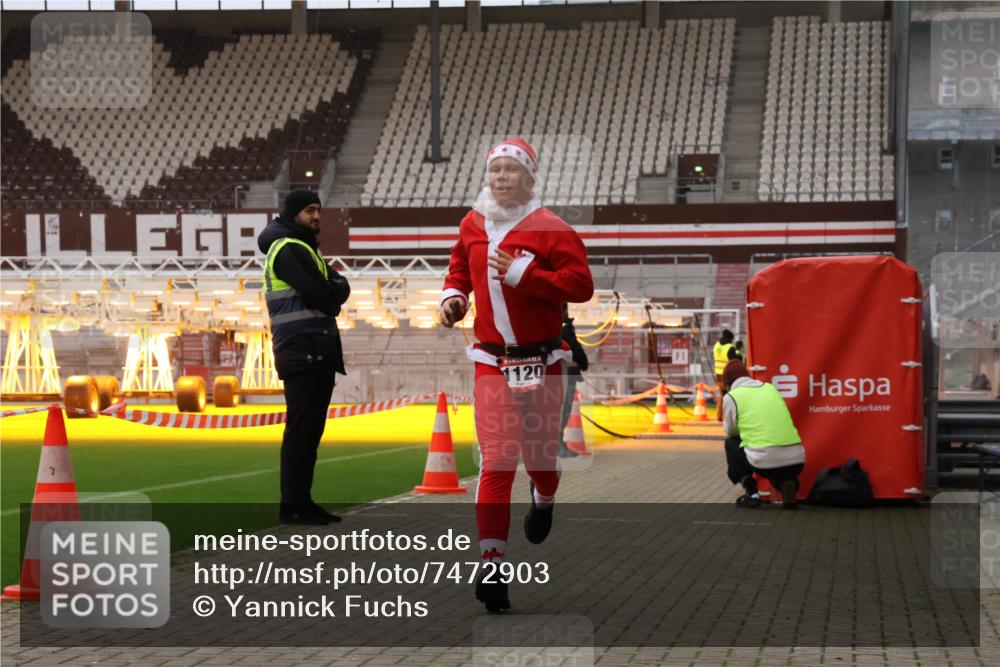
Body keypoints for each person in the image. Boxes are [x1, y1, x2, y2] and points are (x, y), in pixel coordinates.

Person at [439, 138, 594, 612]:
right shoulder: (472, 222)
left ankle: (544, 499)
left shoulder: (553, 229)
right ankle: (492, 565)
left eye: (512, 170)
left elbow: (581, 287)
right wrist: (453, 298)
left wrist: (526, 274)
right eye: (496, 169)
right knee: (498, 460)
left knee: (541, 462)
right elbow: (459, 269)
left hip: (544, 360)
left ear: (530, 178)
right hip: (491, 360)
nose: (502, 177)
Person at [258, 189, 351, 525]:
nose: (316, 216)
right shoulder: (289, 249)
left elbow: (340, 287)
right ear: (294, 213)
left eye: (318, 210)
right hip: (304, 348)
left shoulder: (304, 248)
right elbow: (328, 297)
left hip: (313, 348)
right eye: (310, 210)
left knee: (309, 432)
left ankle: (302, 502)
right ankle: (293, 506)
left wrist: (333, 290)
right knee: (302, 431)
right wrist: (333, 292)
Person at [721, 360, 805, 509]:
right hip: (796, 460)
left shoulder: (732, 396)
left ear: (728, 383)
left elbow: (730, 430)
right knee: (778, 467)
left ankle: (752, 493)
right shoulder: (770, 388)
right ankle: (786, 482)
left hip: (764, 460)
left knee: (731, 443)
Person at [557, 303, 589, 458]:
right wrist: (583, 363)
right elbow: (574, 348)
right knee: (563, 410)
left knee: (560, 411)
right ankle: (558, 446)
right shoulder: (564, 327)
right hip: (565, 373)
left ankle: (557, 445)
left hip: (557, 374)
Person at [713, 329, 735, 421]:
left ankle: (719, 416)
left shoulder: (716, 345)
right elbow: (734, 362)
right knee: (730, 395)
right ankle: (728, 417)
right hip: (727, 374)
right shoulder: (730, 347)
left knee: (723, 395)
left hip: (718, 374)